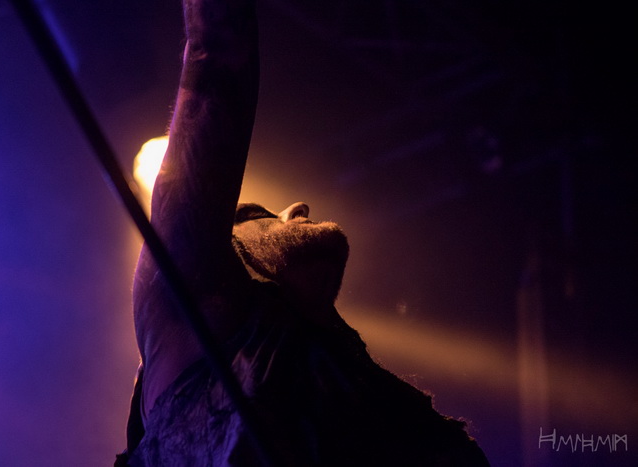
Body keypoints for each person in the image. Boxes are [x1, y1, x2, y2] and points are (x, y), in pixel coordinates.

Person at [116, 0, 489, 465]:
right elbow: (218, 50)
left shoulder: (370, 392)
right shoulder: (190, 315)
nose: (296, 208)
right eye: (261, 215)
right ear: (230, 258)